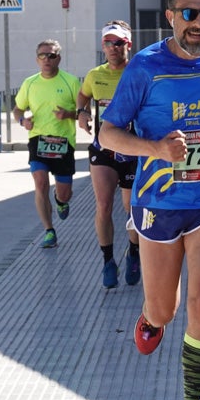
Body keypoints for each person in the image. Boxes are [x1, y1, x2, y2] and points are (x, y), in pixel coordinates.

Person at [99, 0, 200, 400]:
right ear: (170, 16)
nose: (198, 22)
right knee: (165, 308)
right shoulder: (145, 67)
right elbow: (108, 134)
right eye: (189, 12)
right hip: (158, 204)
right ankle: (150, 318)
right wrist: (156, 148)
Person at [77, 21, 141, 289]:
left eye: (118, 43)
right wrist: (81, 113)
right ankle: (107, 261)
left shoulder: (138, 72)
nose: (113, 48)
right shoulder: (95, 75)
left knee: (131, 208)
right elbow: (82, 97)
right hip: (102, 149)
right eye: (108, 43)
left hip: (132, 149)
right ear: (102, 46)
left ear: (128, 44)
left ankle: (134, 254)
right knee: (103, 205)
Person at [12, 40, 80, 249]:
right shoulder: (30, 83)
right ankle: (49, 230)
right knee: (40, 183)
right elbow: (17, 109)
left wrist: (68, 114)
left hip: (63, 142)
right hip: (38, 140)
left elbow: (83, 112)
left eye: (51, 55)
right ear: (37, 59)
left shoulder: (71, 82)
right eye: (43, 55)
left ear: (59, 58)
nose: (47, 59)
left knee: (64, 192)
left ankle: (60, 201)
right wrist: (23, 121)